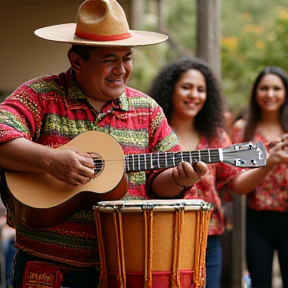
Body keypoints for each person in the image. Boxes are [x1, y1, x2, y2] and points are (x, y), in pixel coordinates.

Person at [0, 1, 208, 287]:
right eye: (110, 60)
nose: (121, 69)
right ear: (76, 60)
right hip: (47, 269)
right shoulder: (39, 96)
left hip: (123, 268)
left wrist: (180, 178)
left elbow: (158, 184)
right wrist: (51, 161)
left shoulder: (147, 110)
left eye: (128, 58)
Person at [148, 57, 288, 288]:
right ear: (169, 90)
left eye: (201, 90)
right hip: (160, 234)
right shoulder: (152, 132)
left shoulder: (216, 137)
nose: (194, 95)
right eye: (186, 87)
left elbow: (237, 183)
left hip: (208, 237)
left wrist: (269, 162)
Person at [232, 66, 288, 288]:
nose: (270, 94)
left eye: (276, 88)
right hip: (256, 222)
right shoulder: (244, 129)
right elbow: (239, 185)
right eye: (264, 88)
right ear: (256, 92)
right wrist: (270, 163)